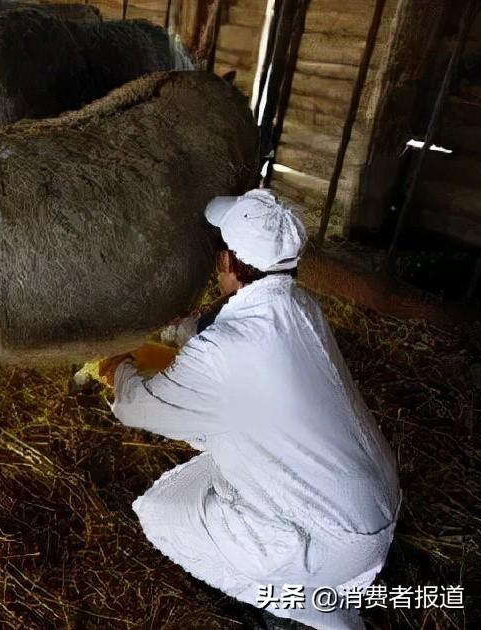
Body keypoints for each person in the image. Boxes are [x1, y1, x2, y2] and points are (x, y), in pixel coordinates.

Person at [100, 189, 400, 630]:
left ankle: (299, 611)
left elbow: (139, 407)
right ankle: (324, 584)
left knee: (161, 512)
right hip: (377, 501)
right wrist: (181, 330)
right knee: (222, 460)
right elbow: (229, 336)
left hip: (331, 537)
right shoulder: (303, 308)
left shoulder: (223, 351)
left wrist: (119, 366)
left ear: (225, 263)